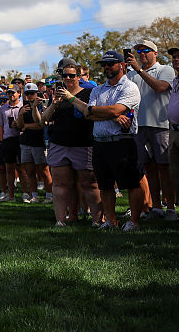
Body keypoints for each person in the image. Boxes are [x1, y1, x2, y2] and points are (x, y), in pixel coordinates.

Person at [61, 51, 145, 231]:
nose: (106, 67)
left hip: (123, 141)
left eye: (111, 64)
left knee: (132, 183)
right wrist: (108, 114)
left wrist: (99, 111)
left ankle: (134, 221)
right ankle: (111, 221)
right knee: (105, 185)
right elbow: (88, 114)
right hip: (100, 142)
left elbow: (115, 109)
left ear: (122, 65)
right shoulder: (97, 89)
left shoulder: (129, 87)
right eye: (104, 64)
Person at [40, 60, 101, 227]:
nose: (68, 78)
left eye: (72, 75)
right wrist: (54, 104)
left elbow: (90, 113)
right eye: (65, 75)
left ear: (79, 77)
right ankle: (61, 220)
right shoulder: (57, 94)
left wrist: (71, 98)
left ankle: (97, 220)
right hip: (59, 143)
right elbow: (44, 119)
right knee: (60, 183)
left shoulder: (89, 92)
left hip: (84, 143)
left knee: (89, 183)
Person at [125, 40, 176, 220]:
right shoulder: (132, 75)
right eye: (139, 51)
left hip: (160, 126)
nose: (142, 54)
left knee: (164, 167)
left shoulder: (165, 70)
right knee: (149, 168)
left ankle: (170, 207)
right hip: (140, 127)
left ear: (155, 53)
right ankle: (156, 207)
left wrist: (139, 70)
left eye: (146, 50)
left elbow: (160, 87)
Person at [16, 83, 52, 204]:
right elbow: (20, 126)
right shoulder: (23, 107)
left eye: (32, 93)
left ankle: (49, 195)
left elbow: (41, 124)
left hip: (39, 142)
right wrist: (21, 115)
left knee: (44, 170)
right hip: (26, 142)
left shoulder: (42, 105)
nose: (30, 96)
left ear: (37, 93)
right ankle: (34, 196)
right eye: (27, 94)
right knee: (29, 171)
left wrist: (27, 125)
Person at [0, 88, 24, 202]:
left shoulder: (23, 107)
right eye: (9, 93)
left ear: (19, 94)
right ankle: (10, 195)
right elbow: (0, 126)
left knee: (21, 168)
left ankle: (26, 193)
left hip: (21, 138)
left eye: (13, 93)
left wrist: (19, 125)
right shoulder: (3, 109)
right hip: (7, 140)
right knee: (8, 169)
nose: (11, 95)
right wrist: (2, 141)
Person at [167, 45, 179, 220]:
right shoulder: (176, 80)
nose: (176, 59)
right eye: (174, 57)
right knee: (176, 175)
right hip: (174, 131)